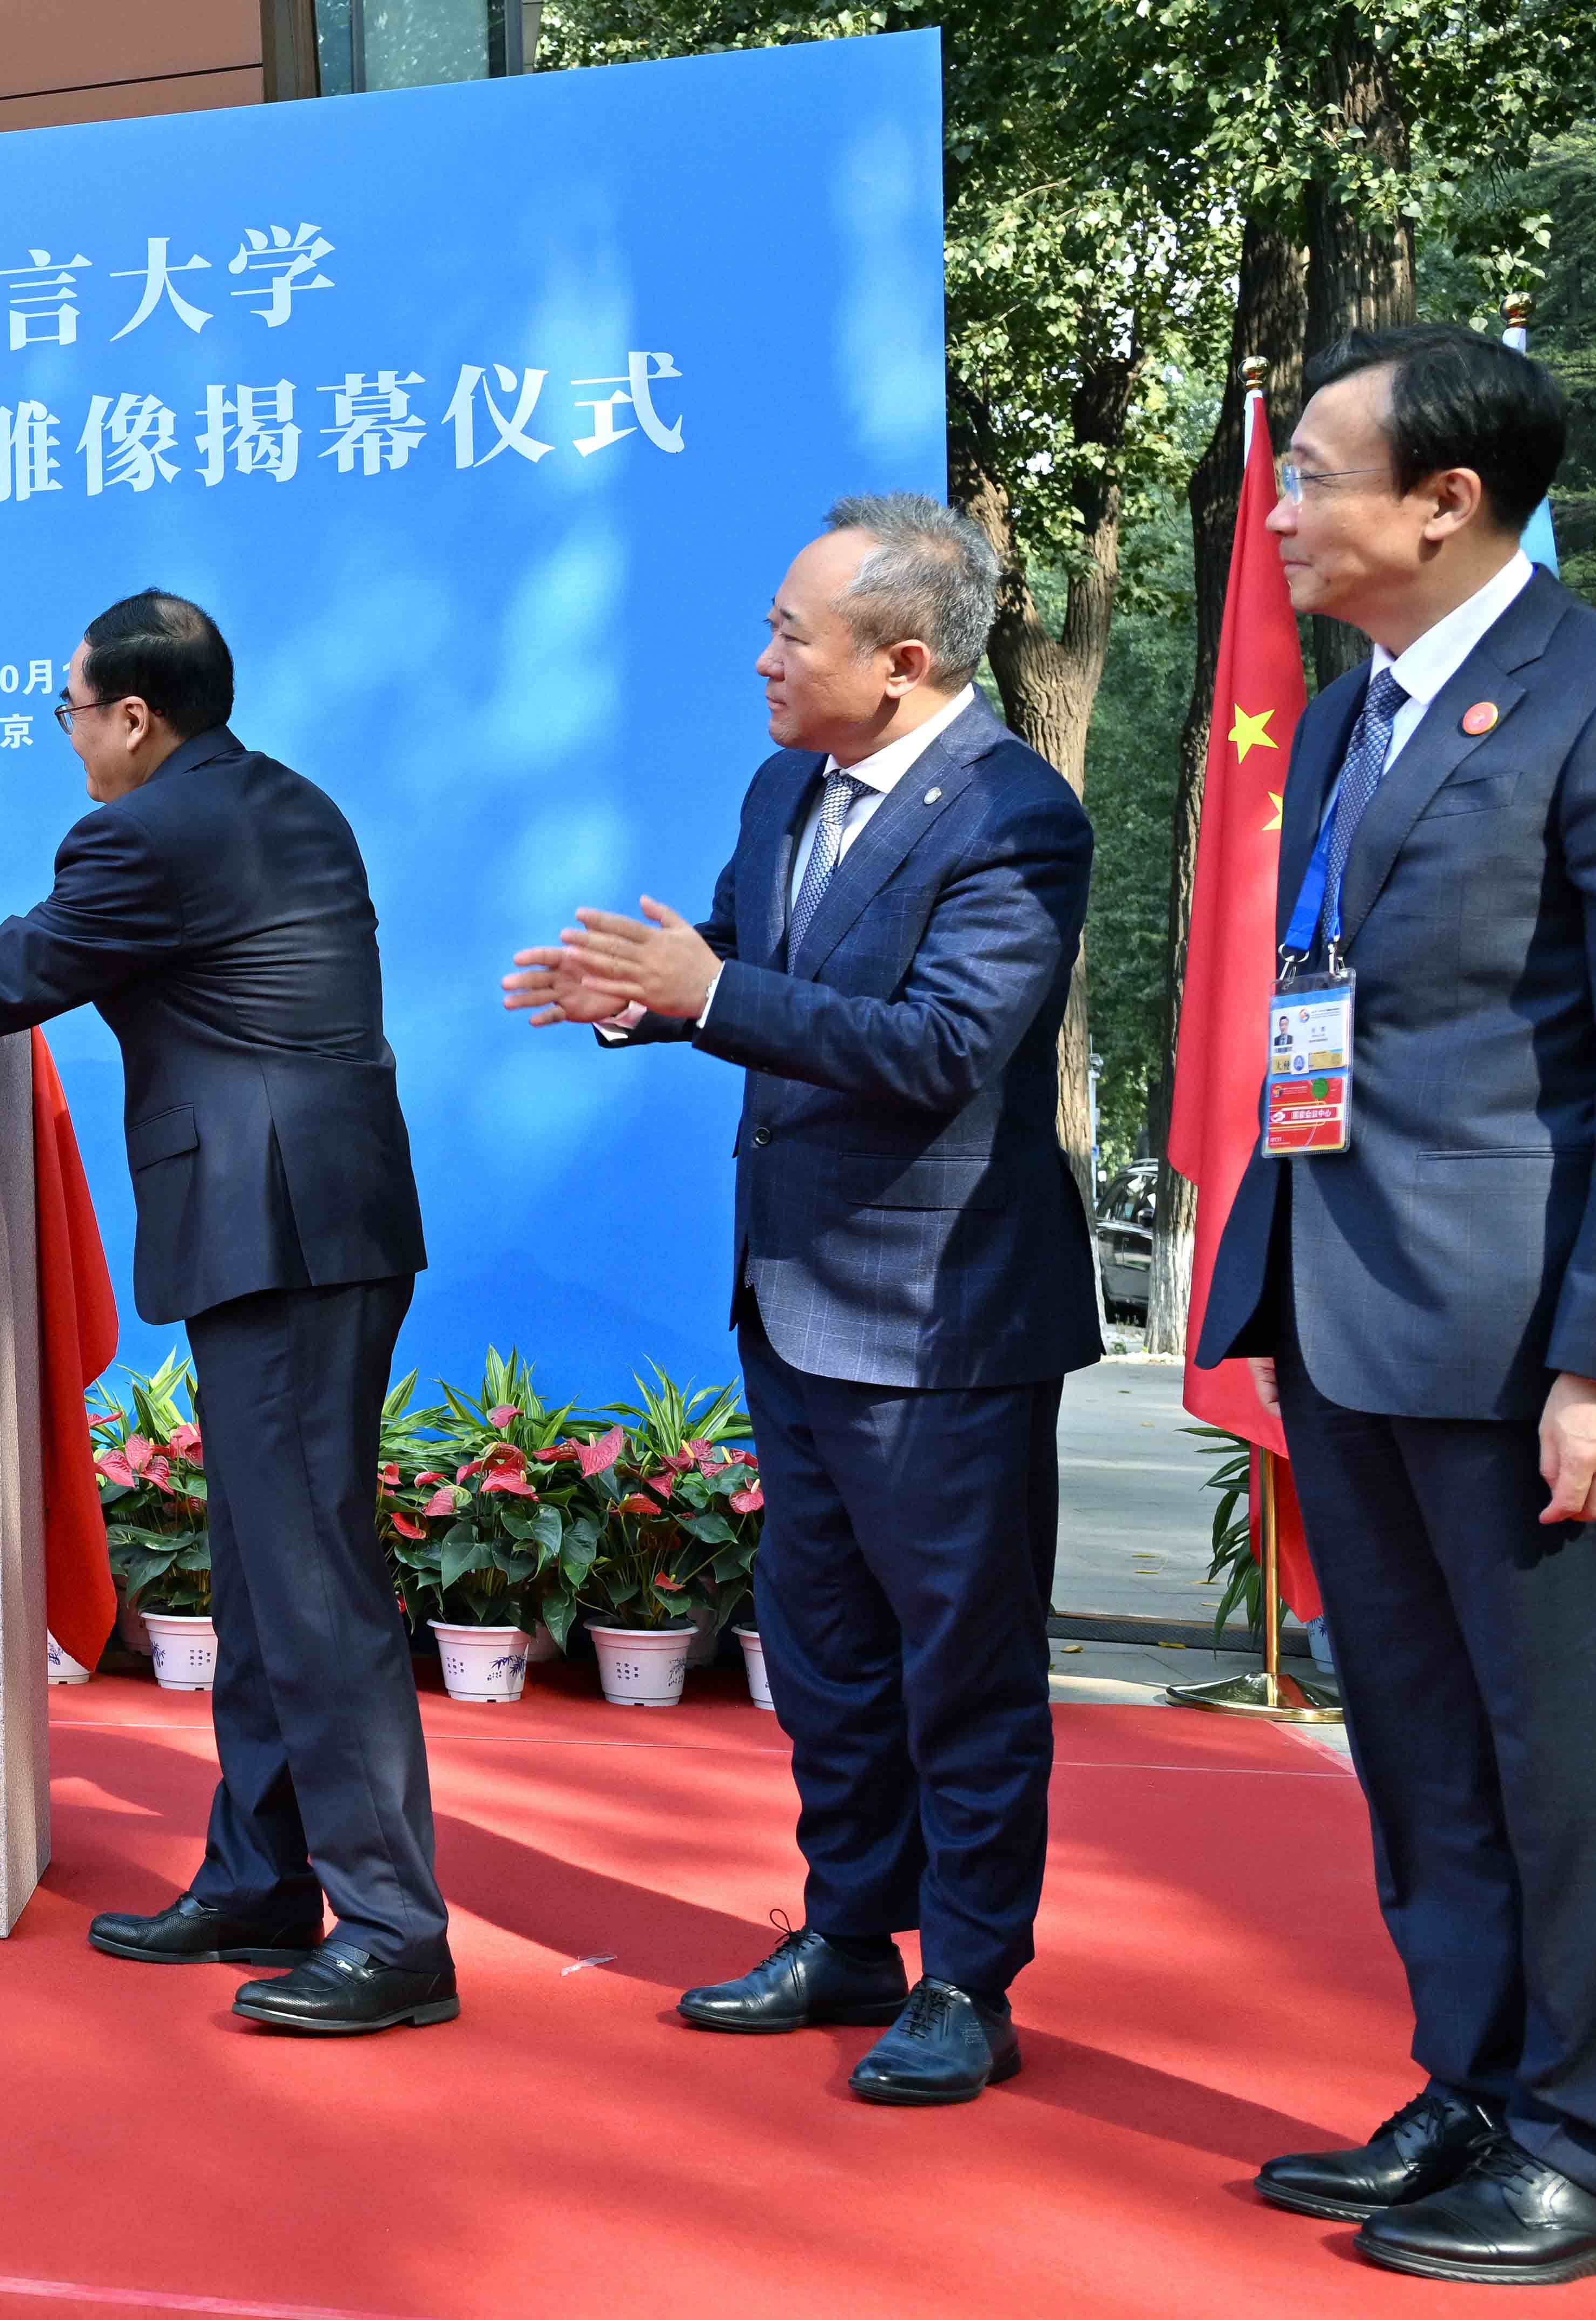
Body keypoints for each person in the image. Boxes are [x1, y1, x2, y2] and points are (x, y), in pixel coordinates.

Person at [0, 589, 449, 2036]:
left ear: (131, 714)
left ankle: (391, 1929)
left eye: (68, 712)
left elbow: (9, 978)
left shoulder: (146, 830)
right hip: (315, 1222)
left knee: (308, 1585)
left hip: (279, 1231)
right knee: (260, 1570)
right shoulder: (277, 799)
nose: (64, 739)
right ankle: (259, 1875)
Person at [1190, 327, 1596, 2288]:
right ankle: (1476, 2083)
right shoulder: (1340, 720)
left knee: (1565, 1758)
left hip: (1516, 1338)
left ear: (1445, 499)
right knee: (1417, 1739)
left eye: (1311, 474)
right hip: (1343, 1299)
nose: (1282, 509)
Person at [502, 496, 1098, 2107]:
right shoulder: (786, 787)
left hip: (943, 1317)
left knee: (956, 1666)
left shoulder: (1013, 817)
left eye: (789, 633)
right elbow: (747, 964)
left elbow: (937, 1049)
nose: (759, 657)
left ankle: (969, 1980)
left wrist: (712, 992)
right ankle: (849, 1935)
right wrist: (640, 999)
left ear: (903, 663)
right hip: (794, 1293)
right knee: (825, 1654)